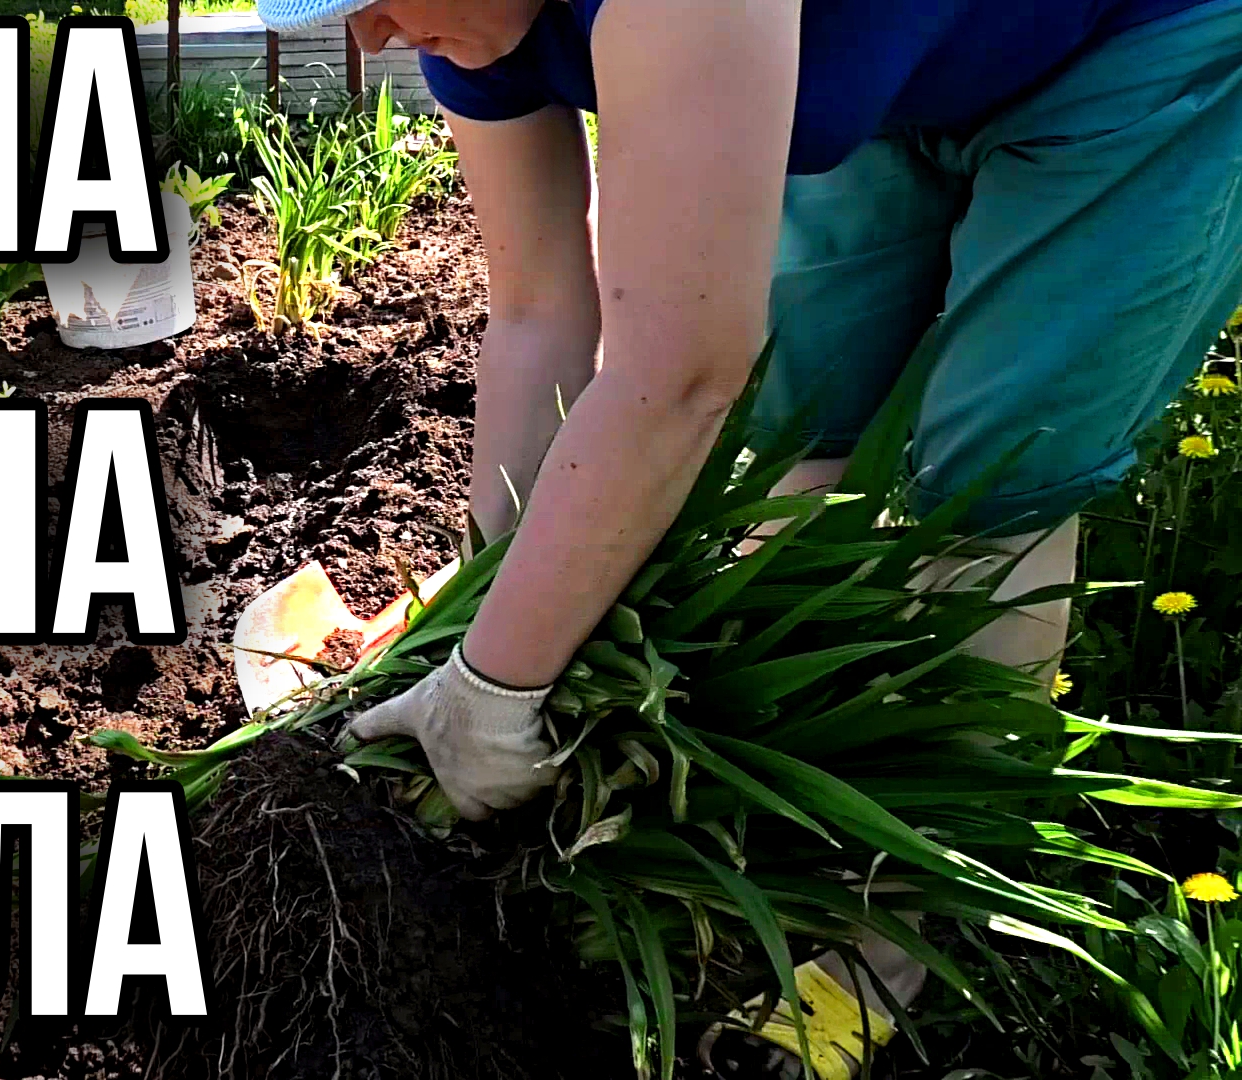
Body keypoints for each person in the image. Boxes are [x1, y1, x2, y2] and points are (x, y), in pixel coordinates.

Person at [248, 0, 1242, 1075]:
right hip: (886, 53)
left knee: (987, 489)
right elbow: (538, 312)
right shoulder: (474, 22)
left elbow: (678, 380)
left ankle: (898, 932)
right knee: (803, 425)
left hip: (1135, 47)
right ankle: (783, 814)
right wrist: (481, 618)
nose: (369, 37)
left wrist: (497, 690)